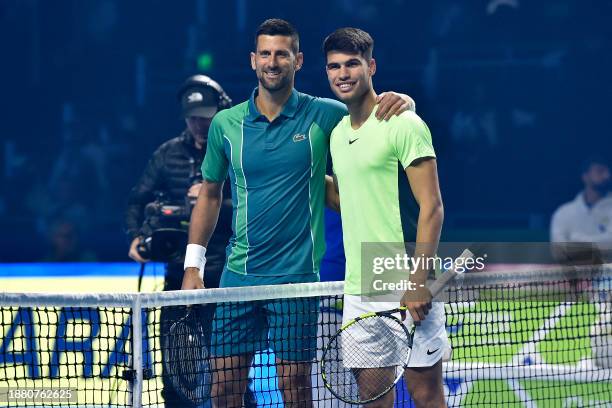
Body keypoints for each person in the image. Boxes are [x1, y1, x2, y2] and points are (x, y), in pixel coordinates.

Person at [181, 19, 416, 408]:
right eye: (266, 54)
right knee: (223, 389)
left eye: (282, 54)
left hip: (298, 280)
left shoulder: (324, 114)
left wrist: (404, 101)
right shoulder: (227, 124)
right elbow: (209, 194)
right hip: (237, 278)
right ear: (253, 60)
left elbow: (373, 114)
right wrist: (194, 266)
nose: (273, 62)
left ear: (298, 60)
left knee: (295, 387)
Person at [323, 28, 447, 408]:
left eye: (352, 64)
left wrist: (418, 281)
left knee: (425, 395)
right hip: (360, 287)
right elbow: (354, 202)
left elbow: (433, 206)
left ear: (371, 66)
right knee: (371, 398)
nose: (342, 74)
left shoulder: (404, 124)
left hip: (406, 278)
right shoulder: (337, 134)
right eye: (334, 66)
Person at [124, 75, 239, 407]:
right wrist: (135, 237)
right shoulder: (168, 154)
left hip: (225, 277)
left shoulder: (236, 148)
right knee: (176, 379)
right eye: (193, 118)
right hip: (178, 278)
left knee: (230, 375)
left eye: (206, 116)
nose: (200, 124)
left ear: (221, 110)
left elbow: (253, 207)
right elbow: (136, 200)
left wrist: (212, 198)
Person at [551, 156, 612, 264]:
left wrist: (577, 239)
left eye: (608, 171)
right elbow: (558, 250)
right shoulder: (563, 212)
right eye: (600, 171)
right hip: (573, 276)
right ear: (585, 176)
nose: (607, 175)